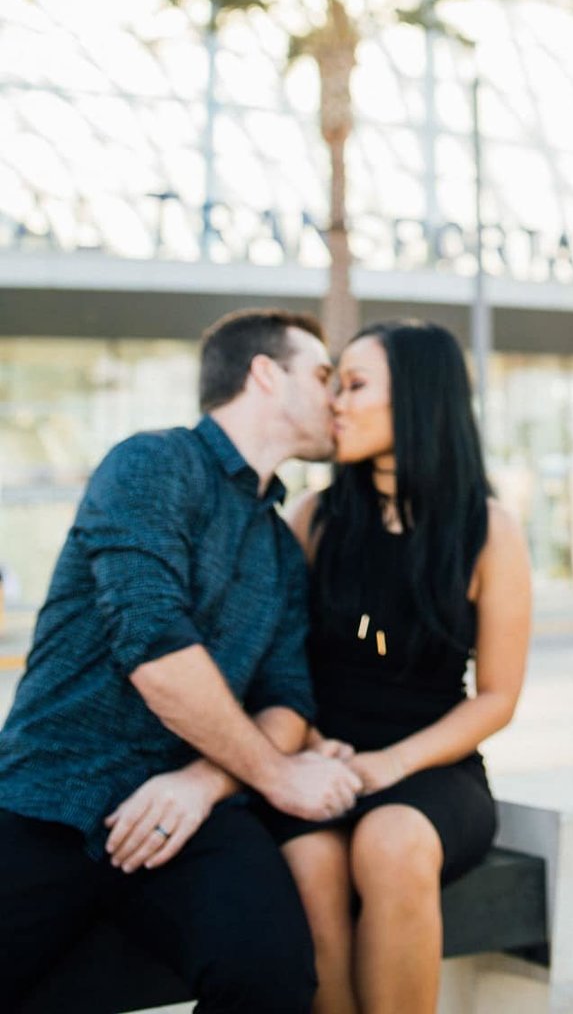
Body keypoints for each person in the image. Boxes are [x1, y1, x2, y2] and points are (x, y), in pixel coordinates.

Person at [0, 308, 363, 1013]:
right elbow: (155, 648)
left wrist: (203, 783)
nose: (334, 397)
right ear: (265, 374)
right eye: (321, 375)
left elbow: (288, 700)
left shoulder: (281, 548)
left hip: (187, 812)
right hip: (52, 796)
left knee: (272, 974)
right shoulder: (152, 462)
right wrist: (276, 777)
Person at [274, 319, 532, 1014]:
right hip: (315, 763)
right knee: (311, 863)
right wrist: (304, 745)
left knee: (390, 843)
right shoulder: (313, 518)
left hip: (432, 771)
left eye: (355, 385)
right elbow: (274, 666)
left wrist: (392, 764)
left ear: (418, 398)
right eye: (334, 385)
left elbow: (498, 698)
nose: (336, 403)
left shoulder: (488, 530)